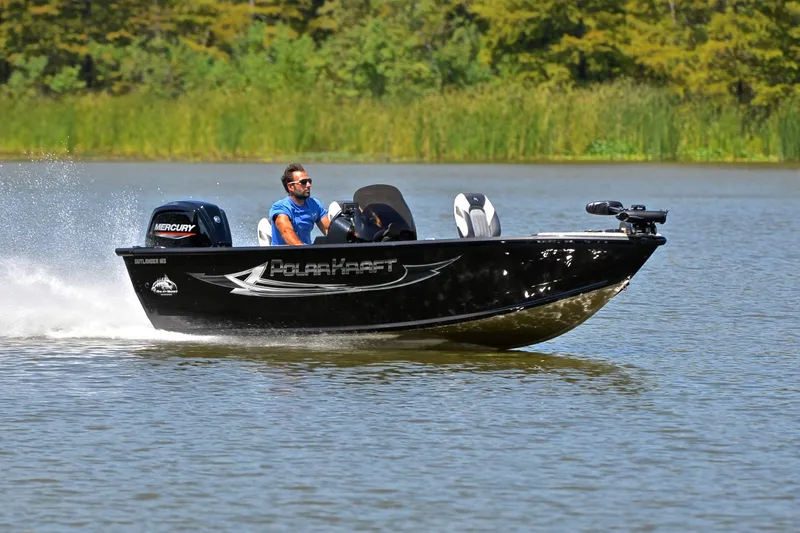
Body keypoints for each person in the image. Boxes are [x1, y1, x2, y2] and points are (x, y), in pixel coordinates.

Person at [269, 163, 330, 245]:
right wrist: (304, 251)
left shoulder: (314, 204)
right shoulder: (280, 208)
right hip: (283, 255)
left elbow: (329, 231)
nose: (308, 185)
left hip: (307, 253)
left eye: (309, 181)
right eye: (303, 182)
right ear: (291, 187)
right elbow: (286, 232)